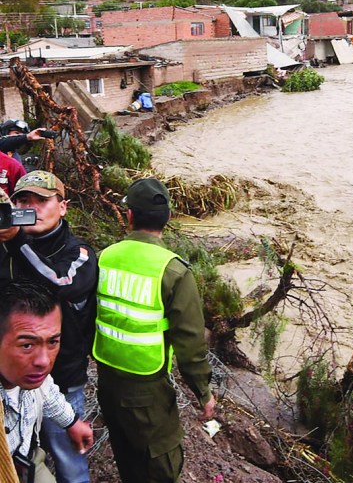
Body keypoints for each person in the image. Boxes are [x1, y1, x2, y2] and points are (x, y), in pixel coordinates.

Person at [94, 177, 215, 483]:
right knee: (162, 467)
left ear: (130, 215)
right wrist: (204, 394)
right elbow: (190, 343)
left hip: (107, 384)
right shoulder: (173, 270)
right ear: (168, 218)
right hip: (147, 392)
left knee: (127, 459)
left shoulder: (105, 257)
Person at [0, 172, 97, 483]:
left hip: (61, 382)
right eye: (23, 201)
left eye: (42, 201)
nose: (33, 208)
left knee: (71, 466)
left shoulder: (78, 253)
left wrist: (18, 242)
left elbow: (61, 283)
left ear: (63, 207)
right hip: (9, 386)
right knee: (19, 456)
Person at [1, 282, 94, 483]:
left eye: (52, 342)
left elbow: (47, 390)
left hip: (26, 458)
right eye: (26, 345)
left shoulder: (30, 375)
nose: (43, 361)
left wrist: (71, 422)